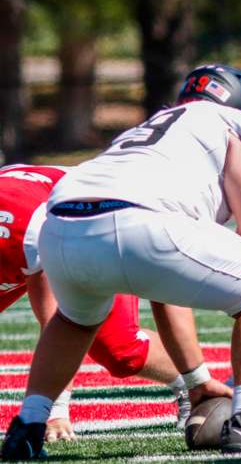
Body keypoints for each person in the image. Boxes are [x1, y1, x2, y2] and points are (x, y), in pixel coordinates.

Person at [0, 64, 241, 460]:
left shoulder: (150, 129)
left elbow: (164, 288)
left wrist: (196, 379)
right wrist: (239, 292)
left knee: (74, 320)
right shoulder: (236, 125)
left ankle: (27, 428)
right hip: (140, 218)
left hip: (62, 222)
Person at [0, 163, 195, 440]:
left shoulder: (29, 232)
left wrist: (53, 410)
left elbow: (59, 322)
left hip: (83, 214)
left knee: (118, 349)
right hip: (29, 211)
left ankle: (195, 384)